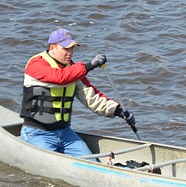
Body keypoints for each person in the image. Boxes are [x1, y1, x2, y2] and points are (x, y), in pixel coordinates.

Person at [19, 28, 136, 156]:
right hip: (37, 133)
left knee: (92, 163)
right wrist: (90, 65)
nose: (70, 53)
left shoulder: (72, 70)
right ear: (52, 48)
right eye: (66, 49)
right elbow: (60, 78)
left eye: (72, 48)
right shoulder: (36, 64)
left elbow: (91, 97)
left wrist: (118, 111)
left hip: (65, 133)